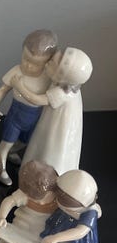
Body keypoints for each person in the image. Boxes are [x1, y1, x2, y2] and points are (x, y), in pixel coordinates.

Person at [12, 47, 92, 175]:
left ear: (61, 75)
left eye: (51, 63)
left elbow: (37, 100)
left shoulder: (62, 93)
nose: (46, 63)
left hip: (55, 127)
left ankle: (43, 175)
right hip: (52, 119)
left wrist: (19, 86)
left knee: (49, 148)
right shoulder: (68, 86)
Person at [0, 29, 57, 185]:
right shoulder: (17, 72)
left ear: (48, 62)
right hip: (16, 116)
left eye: (36, 63)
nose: (28, 65)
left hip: (35, 117)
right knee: (6, 143)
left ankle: (12, 152)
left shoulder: (47, 77)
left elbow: (45, 99)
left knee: (25, 142)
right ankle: (0, 167)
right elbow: (3, 90)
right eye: (25, 59)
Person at [33, 169, 101, 243]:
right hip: (58, 228)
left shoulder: (90, 212)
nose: (59, 200)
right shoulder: (62, 201)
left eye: (65, 199)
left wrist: (55, 238)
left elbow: (80, 232)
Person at [0, 160, 58, 243]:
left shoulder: (59, 196)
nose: (41, 203)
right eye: (34, 198)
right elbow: (9, 201)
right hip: (21, 224)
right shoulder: (26, 192)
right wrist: (2, 217)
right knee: (7, 236)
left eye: (45, 197)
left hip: (41, 231)